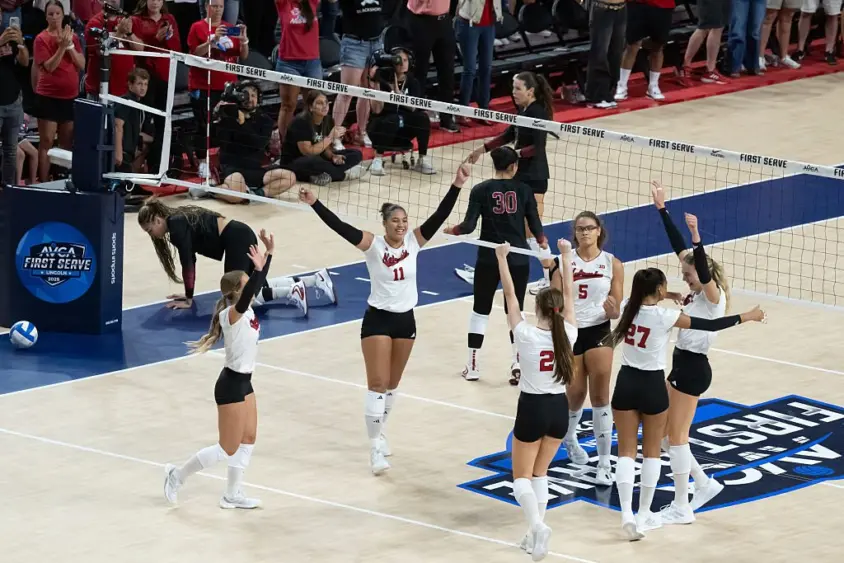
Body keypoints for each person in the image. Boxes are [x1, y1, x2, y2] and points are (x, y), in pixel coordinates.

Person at [298, 164, 467, 475]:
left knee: (391, 385)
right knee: (376, 384)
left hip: (406, 321)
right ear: (385, 224)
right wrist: (315, 203)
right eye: (395, 221)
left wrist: (456, 184)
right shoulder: (373, 245)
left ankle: (381, 432)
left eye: (404, 221)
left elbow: (440, 216)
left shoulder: (415, 242)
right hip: (377, 320)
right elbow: (340, 227)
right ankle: (375, 447)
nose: (401, 225)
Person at [604, 268, 766, 540]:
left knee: (625, 452)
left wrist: (667, 294)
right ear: (658, 291)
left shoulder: (625, 307)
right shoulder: (666, 316)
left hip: (626, 383)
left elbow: (636, 299)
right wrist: (747, 316)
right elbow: (711, 325)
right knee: (652, 452)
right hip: (652, 386)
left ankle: (626, 515)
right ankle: (644, 513)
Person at [163, 229, 274, 509]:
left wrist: (269, 255)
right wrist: (260, 268)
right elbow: (250, 292)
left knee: (248, 439)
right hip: (230, 385)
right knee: (227, 448)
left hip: (245, 382)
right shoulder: (232, 314)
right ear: (237, 290)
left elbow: (254, 289)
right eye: (247, 282)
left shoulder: (244, 309)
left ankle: (232, 494)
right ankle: (176, 476)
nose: (253, 284)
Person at [650, 181, 731, 521]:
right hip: (682, 366)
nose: (683, 278)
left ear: (703, 273)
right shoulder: (698, 294)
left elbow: (696, 259)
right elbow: (680, 251)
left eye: (687, 275)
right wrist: (662, 211)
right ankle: (702, 484)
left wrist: (697, 236)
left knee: (677, 438)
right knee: (667, 439)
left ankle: (682, 506)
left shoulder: (713, 297)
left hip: (693, 369)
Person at [496, 239, 576, 561]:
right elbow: (569, 295)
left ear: (539, 309)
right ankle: (534, 535)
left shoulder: (525, 334)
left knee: (520, 479)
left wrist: (503, 259)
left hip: (532, 406)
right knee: (540, 474)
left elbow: (510, 296)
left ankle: (538, 527)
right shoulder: (569, 333)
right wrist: (566, 258)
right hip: (559, 409)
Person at [443, 146, 547, 384]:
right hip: (518, 257)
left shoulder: (480, 190)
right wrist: (541, 240)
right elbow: (535, 222)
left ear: (495, 165)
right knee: (516, 311)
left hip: (490, 257)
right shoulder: (524, 189)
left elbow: (469, 226)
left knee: (480, 309)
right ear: (514, 167)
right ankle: (517, 364)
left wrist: (453, 230)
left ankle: (473, 365)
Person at [137, 198, 337, 314]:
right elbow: (190, 260)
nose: (151, 235)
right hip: (238, 235)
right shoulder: (177, 218)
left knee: (241, 298)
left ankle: (293, 291)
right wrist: (188, 294)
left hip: (236, 240)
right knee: (254, 286)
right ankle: (314, 280)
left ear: (157, 220)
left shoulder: (176, 225)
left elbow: (188, 262)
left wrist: (189, 298)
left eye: (149, 230)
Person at [467, 71, 554, 294]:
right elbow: (508, 134)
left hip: (534, 178)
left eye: (517, 89)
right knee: (509, 226)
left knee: (531, 232)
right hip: (520, 175)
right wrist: (482, 149)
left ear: (530, 91)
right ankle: (492, 268)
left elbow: (538, 147)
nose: (513, 93)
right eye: (513, 88)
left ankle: (551, 277)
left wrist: (514, 155)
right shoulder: (523, 110)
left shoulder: (538, 113)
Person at [560, 211, 622, 487]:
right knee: (574, 394)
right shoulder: (566, 261)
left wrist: (613, 309)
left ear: (599, 231)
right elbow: (555, 297)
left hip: (599, 331)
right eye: (579, 229)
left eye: (589, 228)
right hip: (572, 332)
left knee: (600, 395)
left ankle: (605, 463)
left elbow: (617, 304)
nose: (584, 233)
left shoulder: (612, 263)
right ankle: (570, 438)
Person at [194, 81, 296, 202]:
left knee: (290, 177)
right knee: (237, 196)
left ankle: (256, 193)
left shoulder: (265, 120)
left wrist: (243, 124)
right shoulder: (229, 115)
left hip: (254, 171)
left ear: (259, 99)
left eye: (253, 95)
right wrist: (217, 117)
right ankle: (212, 191)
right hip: (233, 170)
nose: (250, 99)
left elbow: (259, 144)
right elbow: (216, 140)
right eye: (246, 95)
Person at [186, 0, 248, 179]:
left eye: (221, 6)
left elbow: (242, 55)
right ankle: (203, 162)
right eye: (215, 6)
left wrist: (244, 41)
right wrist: (212, 41)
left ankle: (226, 161)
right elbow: (194, 53)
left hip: (227, 86)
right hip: (203, 84)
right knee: (203, 125)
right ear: (206, 7)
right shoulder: (197, 27)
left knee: (228, 125)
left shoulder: (230, 28)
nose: (218, 10)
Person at [32, 0, 85, 183]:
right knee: (46, 141)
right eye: (50, 14)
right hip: (48, 97)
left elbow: (81, 64)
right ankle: (44, 180)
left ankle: (62, 180)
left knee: (66, 143)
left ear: (63, 15)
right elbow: (50, 67)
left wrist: (70, 46)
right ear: (45, 17)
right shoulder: (41, 39)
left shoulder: (73, 37)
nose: (54, 18)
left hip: (69, 97)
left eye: (57, 14)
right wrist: (62, 47)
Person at [367, 47, 435, 176]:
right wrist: (375, 84)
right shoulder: (382, 80)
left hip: (402, 131)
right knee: (394, 119)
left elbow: (413, 108)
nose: (403, 63)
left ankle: (422, 159)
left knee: (422, 118)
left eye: (405, 60)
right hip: (381, 126)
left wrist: (398, 94)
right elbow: (377, 110)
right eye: (399, 60)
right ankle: (377, 159)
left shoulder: (413, 82)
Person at [279, 90, 363, 187]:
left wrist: (333, 157)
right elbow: (308, 152)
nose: (324, 106)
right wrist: (330, 137)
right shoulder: (301, 122)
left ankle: (322, 174)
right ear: (310, 107)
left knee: (356, 154)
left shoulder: (328, 120)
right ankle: (341, 174)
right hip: (296, 161)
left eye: (326, 102)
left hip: (318, 157)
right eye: (319, 103)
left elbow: (325, 148)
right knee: (313, 161)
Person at [330, 0, 383, 151]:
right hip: (355, 43)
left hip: (376, 41)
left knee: (367, 91)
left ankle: (361, 132)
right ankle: (335, 135)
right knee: (347, 92)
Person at [274, 0, 321, 141]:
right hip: (289, 63)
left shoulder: (312, 2)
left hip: (313, 62)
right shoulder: (283, 3)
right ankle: (285, 145)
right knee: (289, 105)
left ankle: (311, 142)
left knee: (314, 105)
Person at [0, 21, 28, 186]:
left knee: (10, 152)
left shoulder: (9, 34)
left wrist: (21, 44)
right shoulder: (3, 36)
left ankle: (7, 189)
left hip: (13, 101)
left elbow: (24, 62)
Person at [114, 68, 154, 173]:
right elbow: (117, 125)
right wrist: (118, 152)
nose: (143, 88)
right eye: (139, 84)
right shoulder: (126, 101)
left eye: (145, 84)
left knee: (149, 144)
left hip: (130, 150)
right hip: (123, 152)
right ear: (130, 85)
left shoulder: (138, 104)